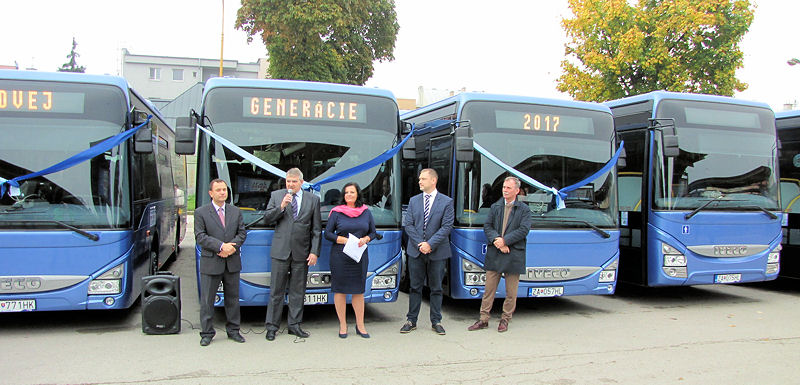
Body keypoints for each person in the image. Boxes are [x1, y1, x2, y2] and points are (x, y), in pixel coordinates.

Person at [263, 168, 322, 341]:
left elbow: (316, 229)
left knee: (298, 291)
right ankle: (272, 327)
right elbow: (267, 218)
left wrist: (314, 251)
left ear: (301, 182)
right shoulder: (277, 196)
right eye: (288, 181)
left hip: (301, 252)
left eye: (294, 182)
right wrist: (281, 207)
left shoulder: (313, 200)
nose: (290, 185)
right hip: (280, 251)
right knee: (276, 291)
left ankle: (294, 325)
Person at [468, 176, 531, 333]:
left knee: (511, 292)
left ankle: (505, 319)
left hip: (513, 254)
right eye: (504, 187)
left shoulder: (524, 209)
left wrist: (505, 241)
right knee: (489, 289)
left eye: (508, 188)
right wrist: (497, 240)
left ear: (517, 191)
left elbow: (524, 230)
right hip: (495, 253)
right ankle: (483, 319)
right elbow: (487, 226)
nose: (505, 190)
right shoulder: (495, 207)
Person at [401, 168, 454, 335]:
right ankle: (411, 320)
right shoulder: (414, 201)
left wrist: (430, 244)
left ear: (433, 181)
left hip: (437, 252)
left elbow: (446, 227)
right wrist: (420, 244)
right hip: (416, 251)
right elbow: (408, 224)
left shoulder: (446, 202)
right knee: (415, 287)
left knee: (436, 288)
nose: (420, 181)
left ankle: (436, 321)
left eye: (423, 179)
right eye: (419, 179)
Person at [195, 179, 247, 346]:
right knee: (208, 300)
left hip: (232, 261)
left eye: (224, 190)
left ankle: (233, 330)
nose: (222, 193)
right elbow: (200, 236)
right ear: (211, 193)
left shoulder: (235, 211)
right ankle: (207, 333)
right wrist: (220, 246)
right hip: (211, 262)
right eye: (218, 190)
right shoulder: (201, 212)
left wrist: (232, 247)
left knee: (233, 299)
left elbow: (242, 233)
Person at [325, 182, 378, 338]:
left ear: (357, 194)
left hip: (359, 256)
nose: (349, 194)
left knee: (358, 291)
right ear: (343, 195)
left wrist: (366, 238)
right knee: (340, 290)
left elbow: (373, 232)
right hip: (340, 256)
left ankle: (360, 325)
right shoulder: (336, 212)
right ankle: (343, 325)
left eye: (352, 192)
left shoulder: (366, 212)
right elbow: (327, 234)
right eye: (346, 192)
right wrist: (343, 240)